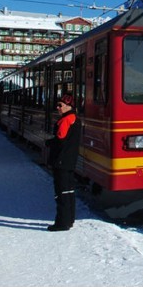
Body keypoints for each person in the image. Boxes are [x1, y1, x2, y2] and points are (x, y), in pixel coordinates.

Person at [45, 94, 81, 231]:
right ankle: (69, 219)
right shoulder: (76, 119)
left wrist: (49, 142)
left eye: (60, 105)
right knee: (69, 191)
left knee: (61, 192)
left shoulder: (66, 120)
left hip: (61, 160)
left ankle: (62, 222)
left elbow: (60, 139)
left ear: (68, 106)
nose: (58, 107)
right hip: (70, 160)